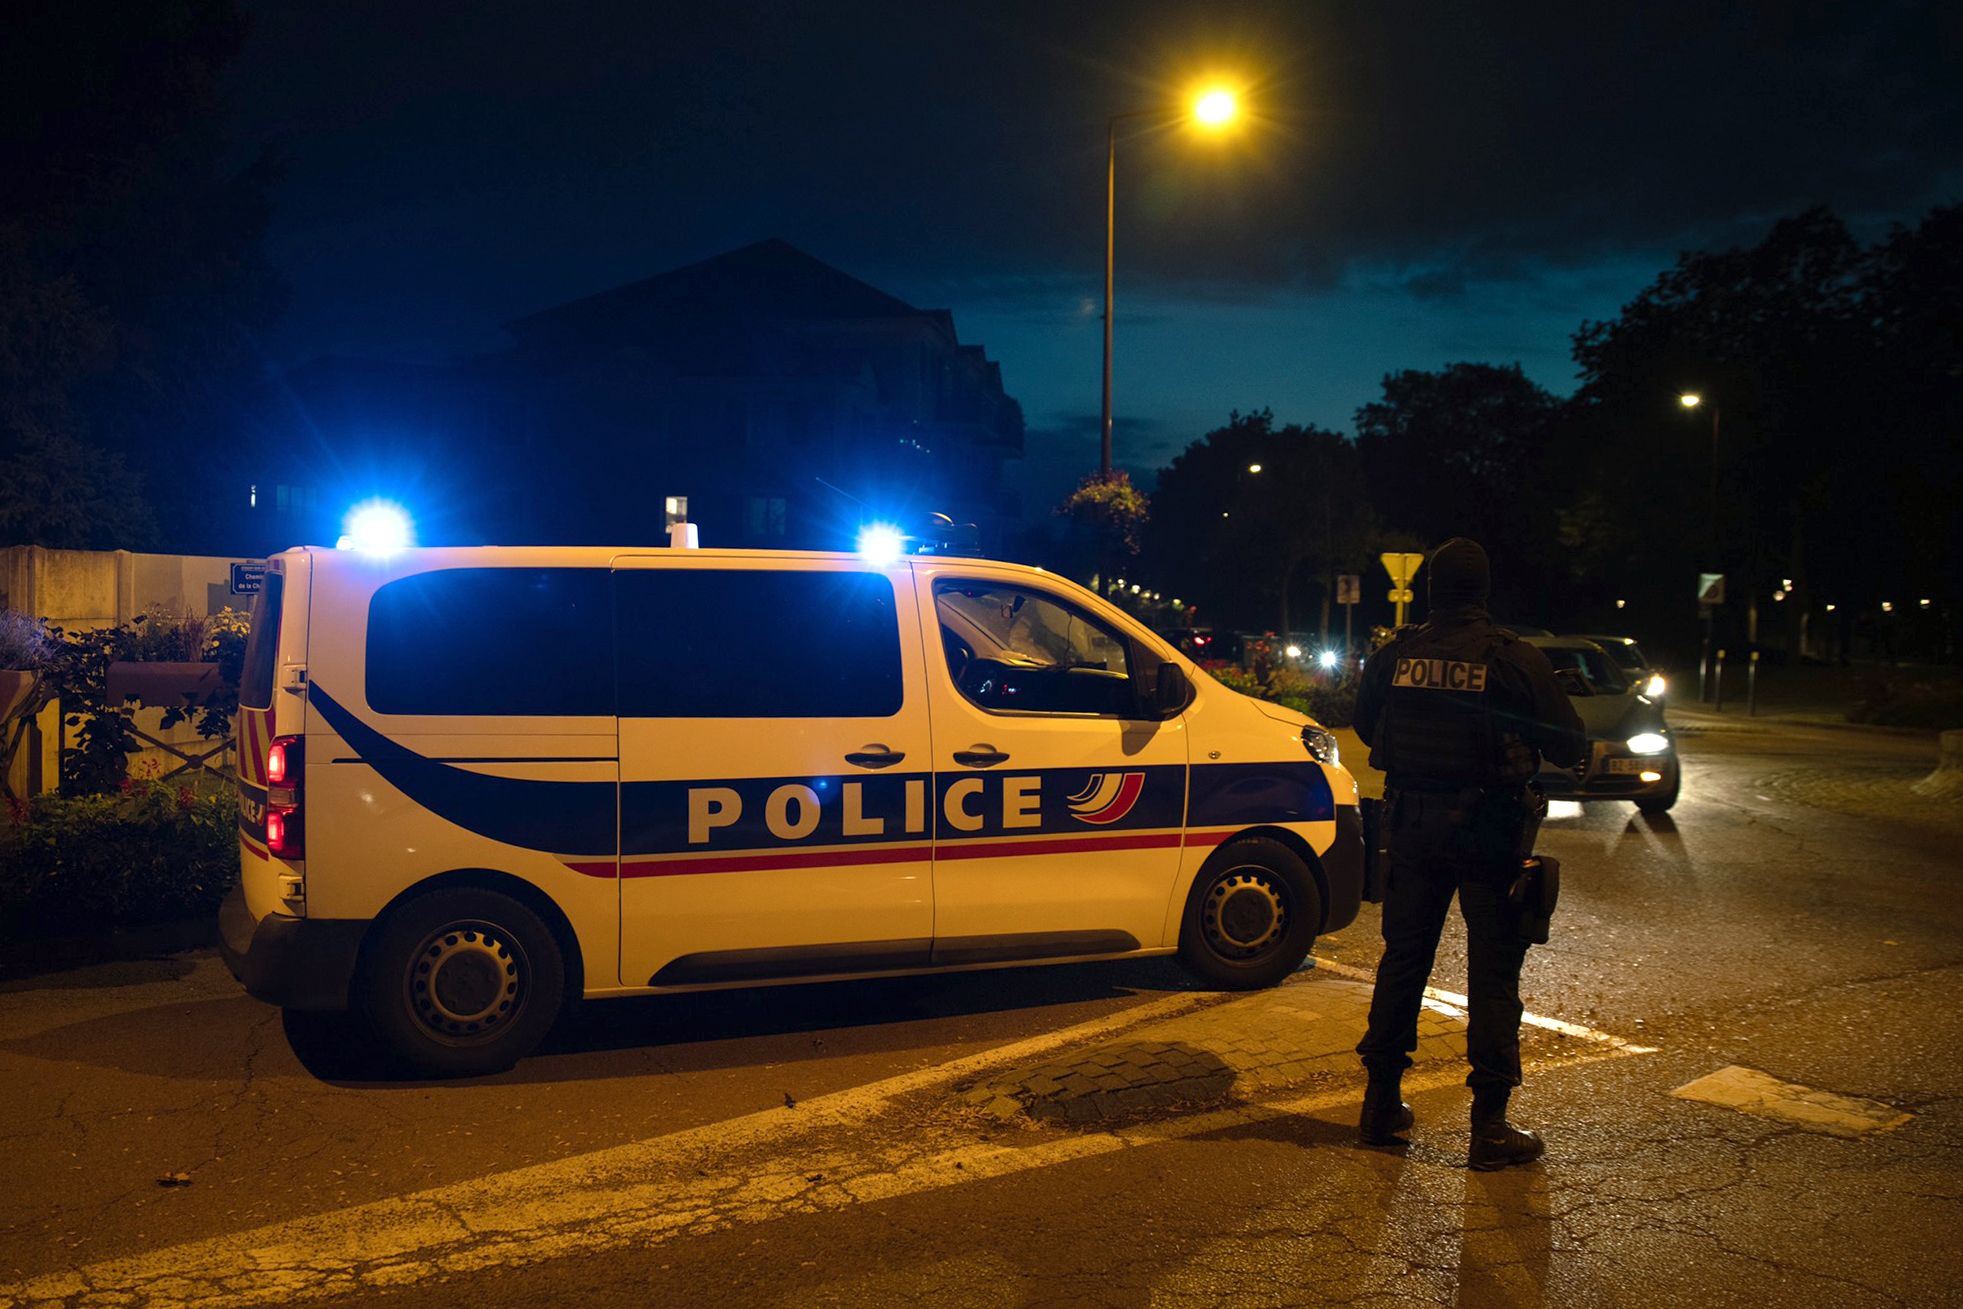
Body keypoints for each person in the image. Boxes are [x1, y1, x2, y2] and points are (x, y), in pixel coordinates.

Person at [1352, 537, 1586, 1169]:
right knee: (1492, 975)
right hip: (1489, 830)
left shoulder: (1395, 655)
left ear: (1431, 589)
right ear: (1483, 591)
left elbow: (1368, 727)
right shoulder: (1511, 659)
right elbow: (1571, 745)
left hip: (1411, 827)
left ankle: (1379, 1108)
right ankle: (1489, 1128)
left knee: (1403, 963)